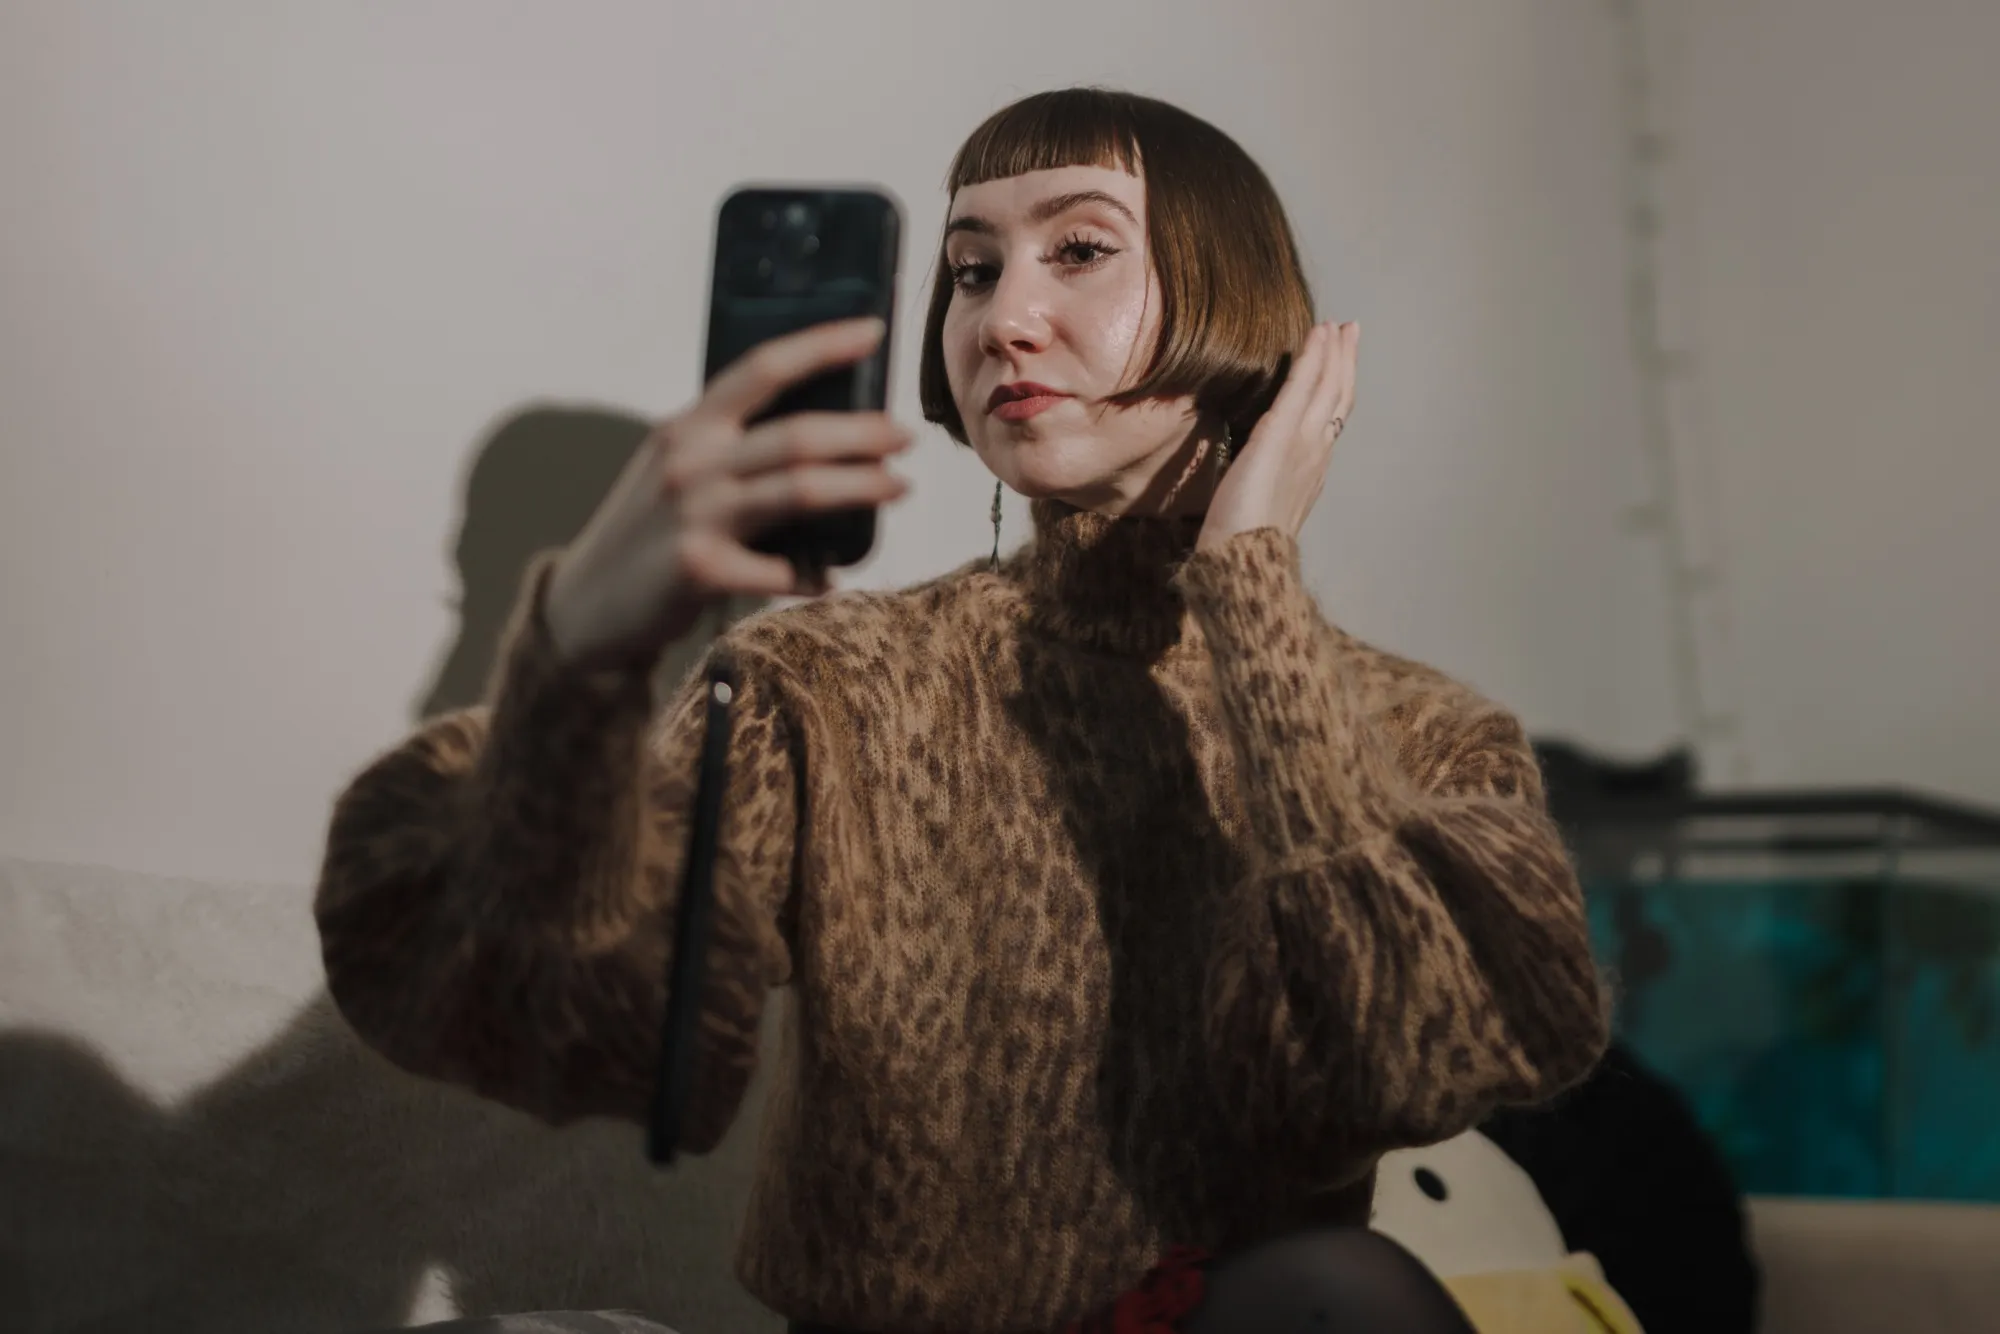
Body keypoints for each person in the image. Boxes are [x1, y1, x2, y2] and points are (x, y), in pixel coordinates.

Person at [317, 88, 1610, 1334]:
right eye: (973, 270)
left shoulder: (1423, 731)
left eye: (1080, 250)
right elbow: (568, 1014)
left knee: (1335, 1280)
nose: (1003, 320)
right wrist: (578, 654)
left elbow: (1425, 1066)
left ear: (1237, 294)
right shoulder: (817, 684)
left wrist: (1254, 606)